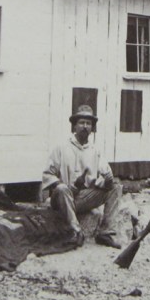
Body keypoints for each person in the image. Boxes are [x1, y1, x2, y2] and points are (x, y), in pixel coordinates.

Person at [42, 105, 122, 248]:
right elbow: (48, 174)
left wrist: (107, 182)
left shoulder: (95, 150)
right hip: (63, 199)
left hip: (83, 198)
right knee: (61, 189)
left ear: (92, 128)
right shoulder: (62, 147)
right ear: (74, 126)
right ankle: (76, 231)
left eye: (88, 123)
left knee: (116, 187)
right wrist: (66, 186)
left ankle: (105, 232)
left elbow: (106, 177)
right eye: (81, 123)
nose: (85, 126)